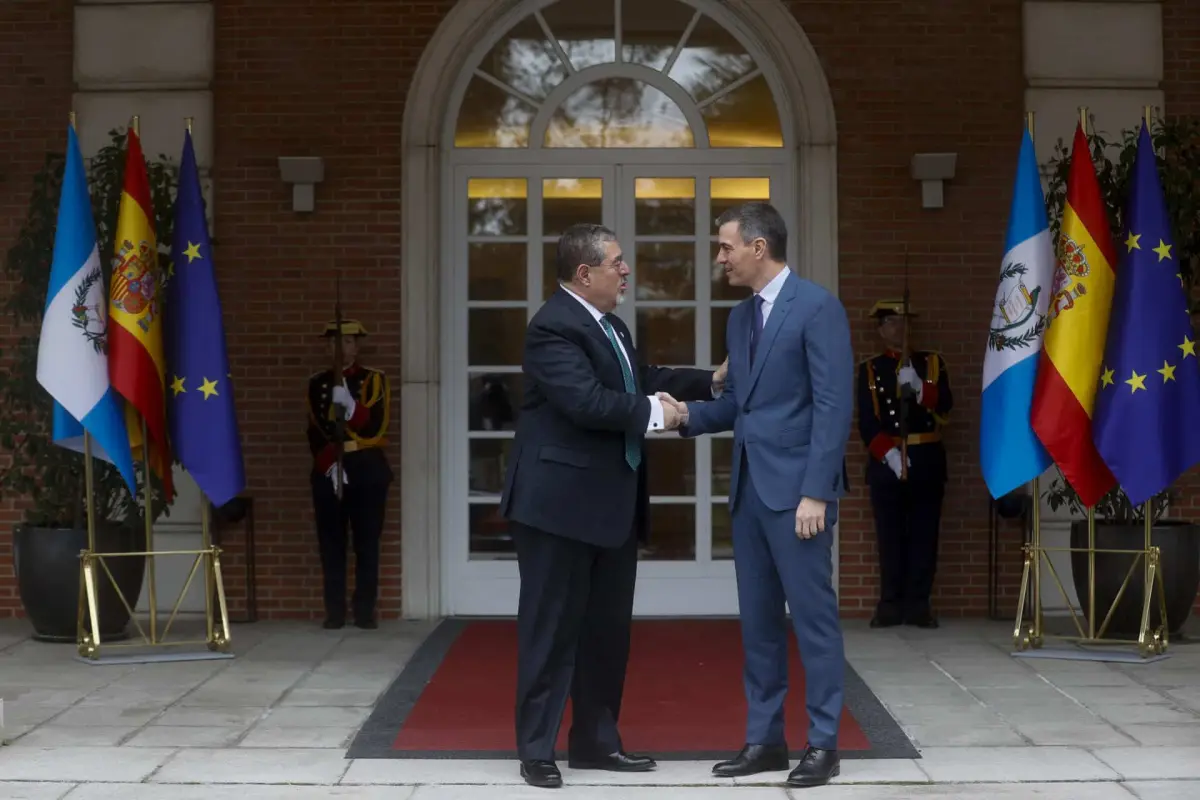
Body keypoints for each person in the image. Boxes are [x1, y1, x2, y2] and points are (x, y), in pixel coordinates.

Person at [499, 222, 726, 789]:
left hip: (610, 507)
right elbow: (587, 401)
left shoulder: (612, 326)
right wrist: (662, 415)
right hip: (556, 509)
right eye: (617, 262)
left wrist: (710, 380)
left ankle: (596, 743)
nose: (626, 270)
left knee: (605, 633)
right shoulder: (552, 327)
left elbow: (638, 378)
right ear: (585, 273)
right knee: (551, 631)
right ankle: (536, 749)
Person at [662, 201, 853, 789]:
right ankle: (766, 740)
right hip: (748, 491)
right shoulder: (740, 320)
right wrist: (686, 415)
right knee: (759, 624)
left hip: (799, 497)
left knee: (814, 621)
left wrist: (816, 493)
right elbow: (740, 405)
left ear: (758, 248)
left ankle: (823, 744)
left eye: (725, 247)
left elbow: (832, 404)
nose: (719, 257)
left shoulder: (817, 307)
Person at [857, 300, 952, 629]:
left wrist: (921, 389)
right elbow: (867, 422)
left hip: (926, 460)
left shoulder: (932, 364)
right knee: (890, 535)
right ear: (881, 330)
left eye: (903, 322)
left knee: (925, 535)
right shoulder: (871, 370)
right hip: (888, 462)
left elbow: (947, 409)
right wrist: (890, 454)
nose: (898, 328)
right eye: (891, 323)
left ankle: (918, 604)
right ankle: (890, 604)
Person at [305, 318, 393, 630]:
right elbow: (315, 430)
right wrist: (328, 463)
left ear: (356, 346)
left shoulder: (374, 380)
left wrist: (352, 408)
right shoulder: (317, 383)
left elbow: (376, 427)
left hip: (365, 466)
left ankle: (365, 611)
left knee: (367, 542)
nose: (340, 348)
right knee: (331, 542)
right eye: (333, 343)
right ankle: (335, 611)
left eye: (346, 342)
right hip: (329, 467)